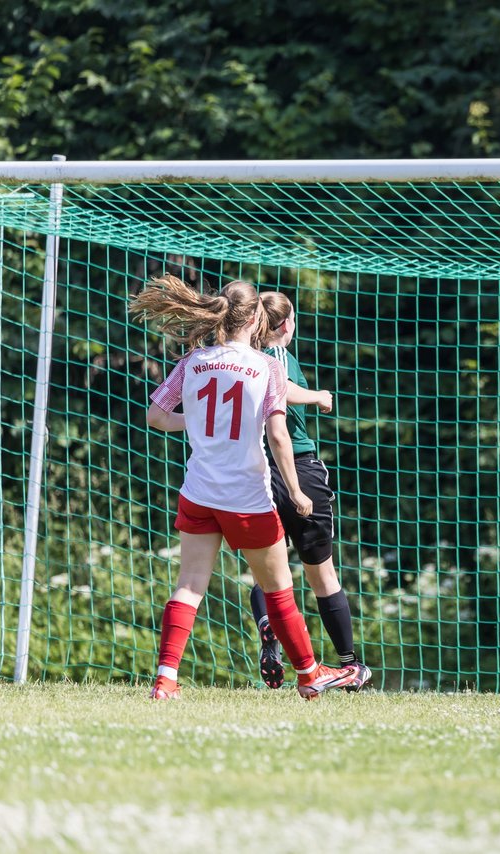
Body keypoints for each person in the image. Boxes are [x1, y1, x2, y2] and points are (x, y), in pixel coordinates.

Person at [131, 274, 361, 700]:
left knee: (189, 584)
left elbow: (157, 417)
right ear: (256, 316)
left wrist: (201, 425)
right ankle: (310, 675)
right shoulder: (267, 367)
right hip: (247, 498)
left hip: (199, 492)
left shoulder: (193, 361)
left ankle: (165, 681)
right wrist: (295, 491)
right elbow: (278, 436)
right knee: (279, 590)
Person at [249, 291, 370, 691]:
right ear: (286, 324)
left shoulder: (241, 359)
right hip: (295, 469)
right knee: (322, 573)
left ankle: (268, 625)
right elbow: (280, 390)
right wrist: (318, 395)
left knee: (269, 571)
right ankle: (350, 665)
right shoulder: (274, 355)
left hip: (252, 471)